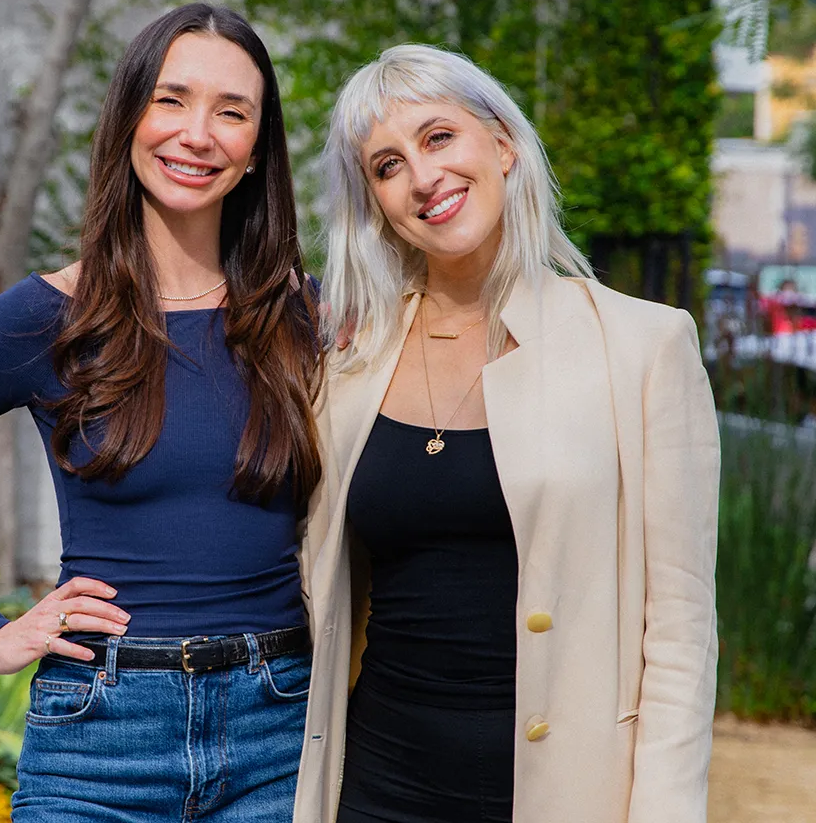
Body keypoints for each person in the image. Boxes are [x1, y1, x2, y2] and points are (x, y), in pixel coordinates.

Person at [0, 2, 323, 822]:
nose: (198, 134)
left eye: (232, 112)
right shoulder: (45, 317)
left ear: (258, 150)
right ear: (128, 119)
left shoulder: (307, 318)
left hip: (280, 732)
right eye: (171, 100)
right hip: (98, 739)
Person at [293, 44, 720, 823]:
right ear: (377, 204)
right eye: (388, 166)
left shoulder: (643, 347)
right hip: (377, 790)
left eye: (438, 137)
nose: (423, 177)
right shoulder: (347, 364)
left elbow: (681, 634)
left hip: (570, 795)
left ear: (503, 145)